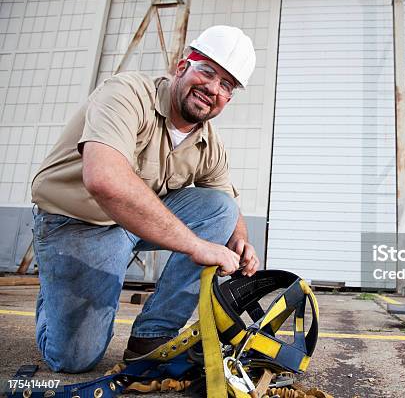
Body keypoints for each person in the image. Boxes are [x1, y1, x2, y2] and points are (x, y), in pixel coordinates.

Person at [30, 25, 259, 373]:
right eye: (207, 71)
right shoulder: (127, 93)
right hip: (76, 222)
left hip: (132, 225)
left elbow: (225, 200)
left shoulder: (208, 142)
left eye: (226, 85)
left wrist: (240, 241)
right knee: (75, 359)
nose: (213, 88)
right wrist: (196, 246)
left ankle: (153, 335)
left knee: (220, 210)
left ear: (229, 98)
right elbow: (104, 181)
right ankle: (56, 286)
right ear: (183, 67)